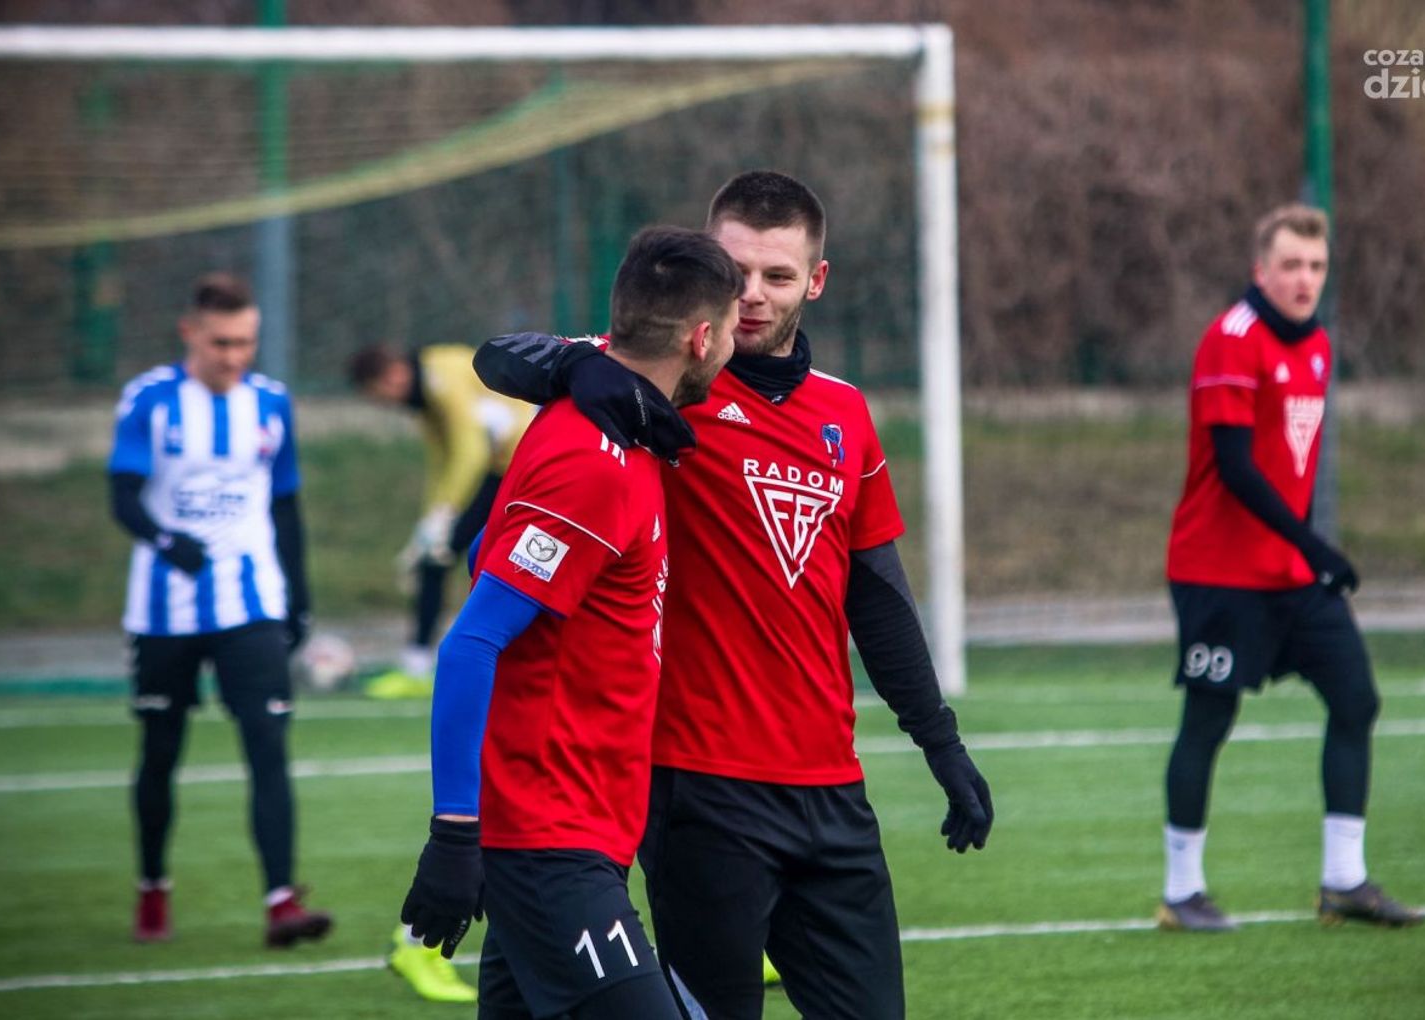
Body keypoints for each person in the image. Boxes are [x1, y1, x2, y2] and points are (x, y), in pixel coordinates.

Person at [471, 170, 994, 1019]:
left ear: (815, 282)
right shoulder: (663, 380)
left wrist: (941, 742)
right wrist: (579, 367)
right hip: (699, 788)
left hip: (832, 790)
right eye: (736, 270)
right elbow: (499, 357)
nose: (752, 294)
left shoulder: (845, 413)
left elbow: (877, 597)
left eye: (777, 275)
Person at [398, 226, 739, 1020]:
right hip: (550, 836)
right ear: (700, 338)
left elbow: (486, 549)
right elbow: (472, 641)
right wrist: (454, 832)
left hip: (580, 828)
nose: (733, 347)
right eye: (728, 329)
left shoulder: (604, 402)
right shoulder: (594, 461)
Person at [1157, 204, 1423, 932]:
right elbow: (1237, 469)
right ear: (1261, 270)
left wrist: (1305, 554)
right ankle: (1182, 891)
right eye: (1291, 265)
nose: (1305, 279)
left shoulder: (1319, 347)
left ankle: (1344, 881)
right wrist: (1317, 545)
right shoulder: (1231, 339)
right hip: (1218, 572)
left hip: (1292, 574)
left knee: (1356, 700)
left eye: (1316, 266)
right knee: (1209, 718)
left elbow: (1292, 466)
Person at [108, 272, 333, 947]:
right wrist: (165, 541)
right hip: (164, 609)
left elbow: (285, 504)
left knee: (268, 745)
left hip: (251, 601)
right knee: (160, 750)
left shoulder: (271, 403)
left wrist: (298, 597)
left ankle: (281, 902)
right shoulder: (149, 400)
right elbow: (123, 497)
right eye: (221, 343)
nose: (234, 356)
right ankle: (152, 886)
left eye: (245, 343)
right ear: (190, 333)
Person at [347, 343, 532, 701]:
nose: (385, 404)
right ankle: (421, 663)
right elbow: (441, 463)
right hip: (504, 468)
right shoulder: (426, 396)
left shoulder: (439, 377)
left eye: (379, 395)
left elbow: (471, 451)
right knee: (438, 558)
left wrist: (444, 513)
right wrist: (427, 525)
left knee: (485, 563)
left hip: (517, 467)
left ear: (392, 376)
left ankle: (425, 663)